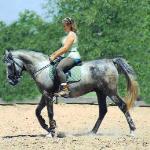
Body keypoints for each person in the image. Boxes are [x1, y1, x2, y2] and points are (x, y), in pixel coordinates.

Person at [49, 17, 81, 97]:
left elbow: (65, 48)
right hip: (67, 56)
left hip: (73, 56)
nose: (63, 27)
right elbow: (62, 48)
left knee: (59, 68)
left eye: (64, 26)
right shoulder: (68, 35)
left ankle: (65, 90)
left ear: (69, 25)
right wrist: (54, 54)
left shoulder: (71, 34)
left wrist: (55, 55)